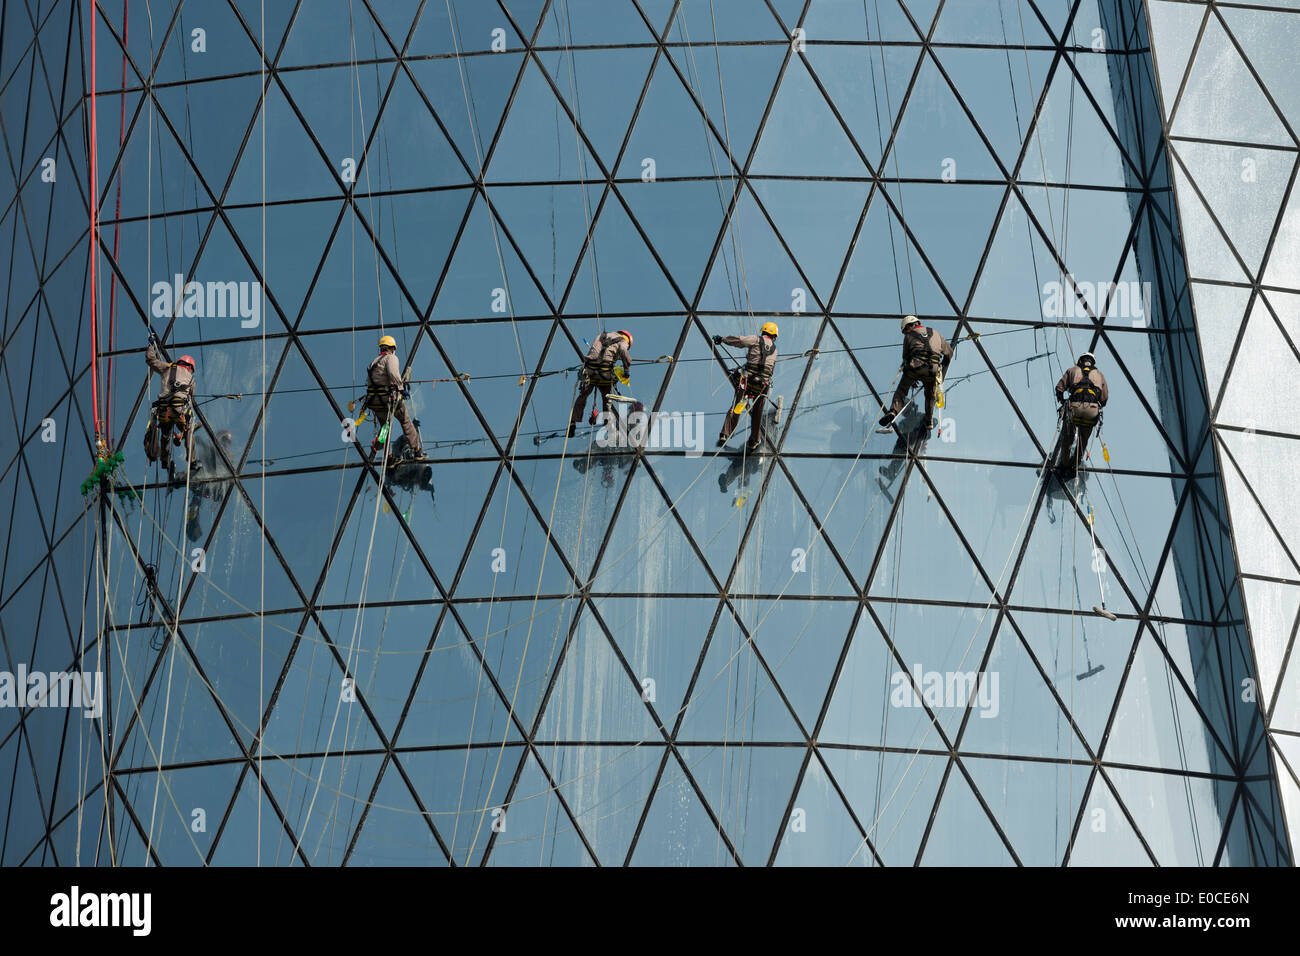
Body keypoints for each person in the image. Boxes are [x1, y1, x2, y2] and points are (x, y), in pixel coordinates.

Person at [880, 315, 953, 430]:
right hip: (933, 369)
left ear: (909, 326)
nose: (905, 333)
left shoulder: (909, 336)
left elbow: (906, 358)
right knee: (930, 395)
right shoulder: (936, 333)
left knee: (902, 390)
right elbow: (949, 353)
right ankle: (929, 420)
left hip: (916, 367)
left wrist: (911, 377)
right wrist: (941, 369)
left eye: (905, 331)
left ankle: (893, 411)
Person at [715, 321, 778, 452]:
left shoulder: (755, 339)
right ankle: (754, 440)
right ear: (774, 336)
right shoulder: (775, 350)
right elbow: (771, 370)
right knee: (757, 413)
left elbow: (739, 341)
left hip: (747, 381)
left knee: (737, 405)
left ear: (763, 332)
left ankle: (725, 433)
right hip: (762, 386)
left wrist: (722, 339)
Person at [144, 331, 196, 475]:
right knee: (188, 433)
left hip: (164, 412)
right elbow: (191, 397)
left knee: (165, 435)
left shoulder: (168, 367)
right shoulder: (191, 379)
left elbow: (151, 360)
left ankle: (165, 461)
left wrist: (150, 345)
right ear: (191, 368)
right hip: (179, 412)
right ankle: (192, 461)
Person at [366, 334, 424, 461]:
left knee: (385, 428)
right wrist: (401, 389)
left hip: (374, 401)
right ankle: (417, 450)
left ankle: (389, 457)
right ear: (392, 348)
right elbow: (393, 373)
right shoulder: (391, 358)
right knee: (406, 422)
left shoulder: (373, 363)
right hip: (388, 400)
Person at [569, 330, 633, 439]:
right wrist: (626, 369)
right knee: (607, 398)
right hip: (605, 371)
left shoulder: (601, 336)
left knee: (582, 396)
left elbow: (595, 351)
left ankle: (573, 423)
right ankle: (607, 423)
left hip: (590, 369)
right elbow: (623, 350)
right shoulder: (623, 341)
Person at [1053, 351, 1108, 476]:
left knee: (1068, 437)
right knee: (1083, 440)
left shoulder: (1073, 370)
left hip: (1074, 408)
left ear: (1080, 361)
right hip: (1092, 410)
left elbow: (1059, 388)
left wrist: (1062, 401)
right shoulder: (1099, 375)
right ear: (1093, 362)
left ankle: (1064, 463)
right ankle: (1075, 465)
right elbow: (1104, 398)